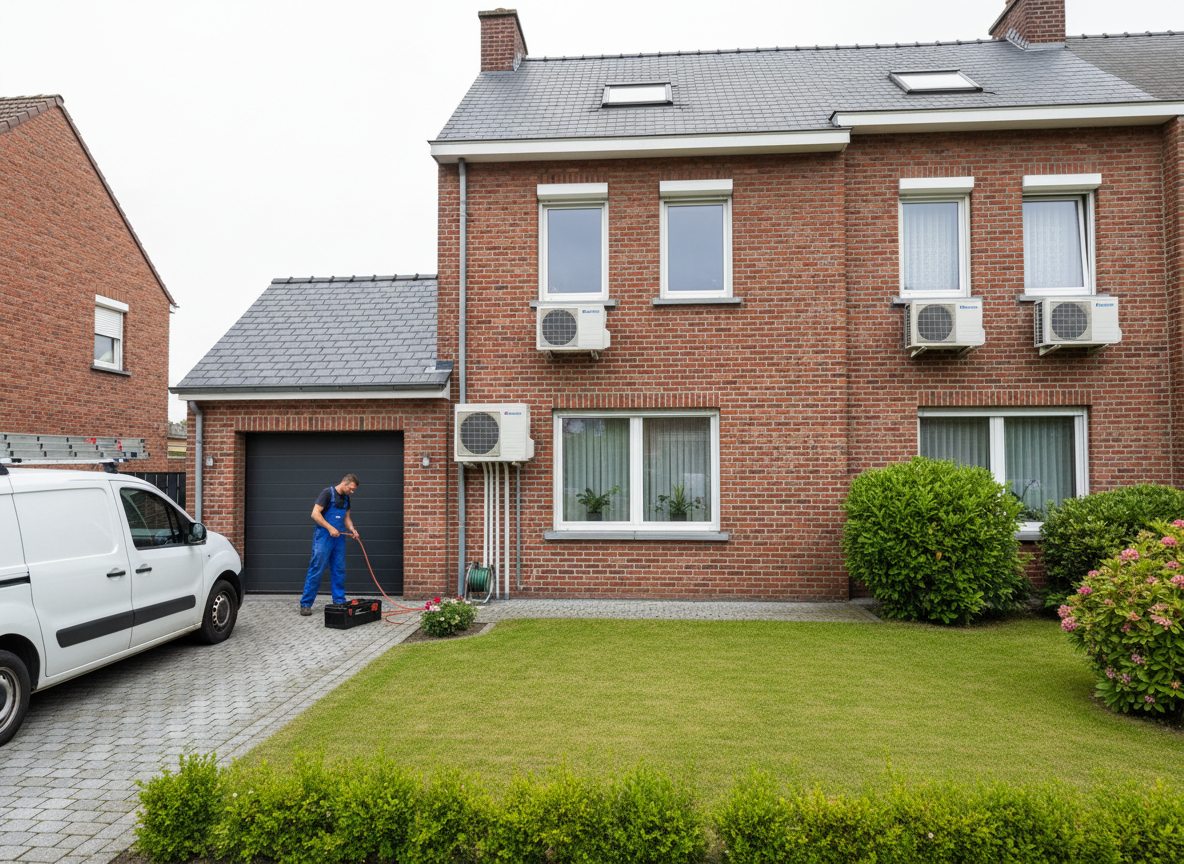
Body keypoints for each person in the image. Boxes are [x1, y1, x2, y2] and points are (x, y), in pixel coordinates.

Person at [299, 474, 360, 615]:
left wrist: (352, 529)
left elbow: (347, 518)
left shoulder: (346, 498)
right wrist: (330, 528)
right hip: (324, 537)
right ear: (345, 483)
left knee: (339, 569)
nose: (352, 492)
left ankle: (339, 601)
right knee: (317, 569)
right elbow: (315, 514)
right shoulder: (327, 493)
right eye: (351, 489)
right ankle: (306, 604)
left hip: (339, 539)